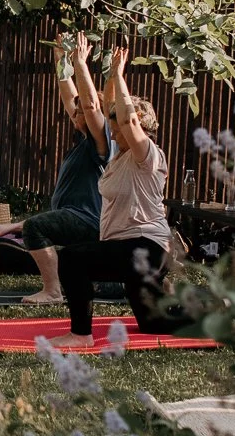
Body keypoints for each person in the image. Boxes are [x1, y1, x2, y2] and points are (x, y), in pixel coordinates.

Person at [47, 46, 192, 348]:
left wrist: (118, 75)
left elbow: (128, 120)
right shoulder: (119, 157)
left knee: (73, 258)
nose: (111, 134)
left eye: (116, 129)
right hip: (130, 248)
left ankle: (81, 335)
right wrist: (82, 67)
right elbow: (105, 109)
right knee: (154, 323)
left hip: (143, 246)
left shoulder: (147, 155)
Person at [0, 31, 112, 303]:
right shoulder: (84, 139)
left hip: (86, 219)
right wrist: (61, 60)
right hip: (77, 216)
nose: (74, 115)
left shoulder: (101, 138)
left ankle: (52, 291)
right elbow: (70, 99)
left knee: (35, 227)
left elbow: (90, 103)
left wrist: (81, 63)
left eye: (80, 113)